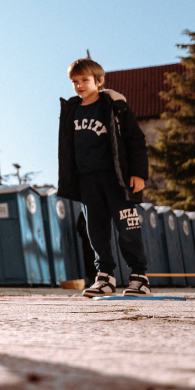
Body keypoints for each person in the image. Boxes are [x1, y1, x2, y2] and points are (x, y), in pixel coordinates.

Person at [57, 58, 150, 297]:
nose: (79, 86)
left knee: (127, 227)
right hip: (86, 180)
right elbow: (68, 148)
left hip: (116, 178)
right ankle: (105, 278)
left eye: (84, 80)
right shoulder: (72, 110)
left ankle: (139, 278)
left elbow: (135, 139)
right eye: (75, 82)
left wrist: (138, 173)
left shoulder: (114, 106)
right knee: (96, 231)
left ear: (98, 81)